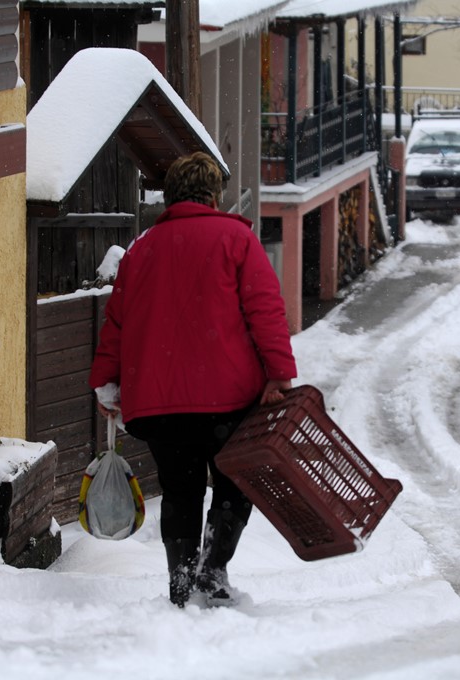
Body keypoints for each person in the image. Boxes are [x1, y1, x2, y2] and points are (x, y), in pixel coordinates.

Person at [89, 151, 297, 608]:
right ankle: (214, 570)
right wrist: (279, 373)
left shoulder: (142, 249)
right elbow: (265, 310)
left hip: (161, 405)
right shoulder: (235, 239)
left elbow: (117, 324)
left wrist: (106, 383)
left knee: (180, 490)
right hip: (228, 398)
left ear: (172, 195)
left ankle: (181, 582)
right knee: (233, 481)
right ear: (213, 195)